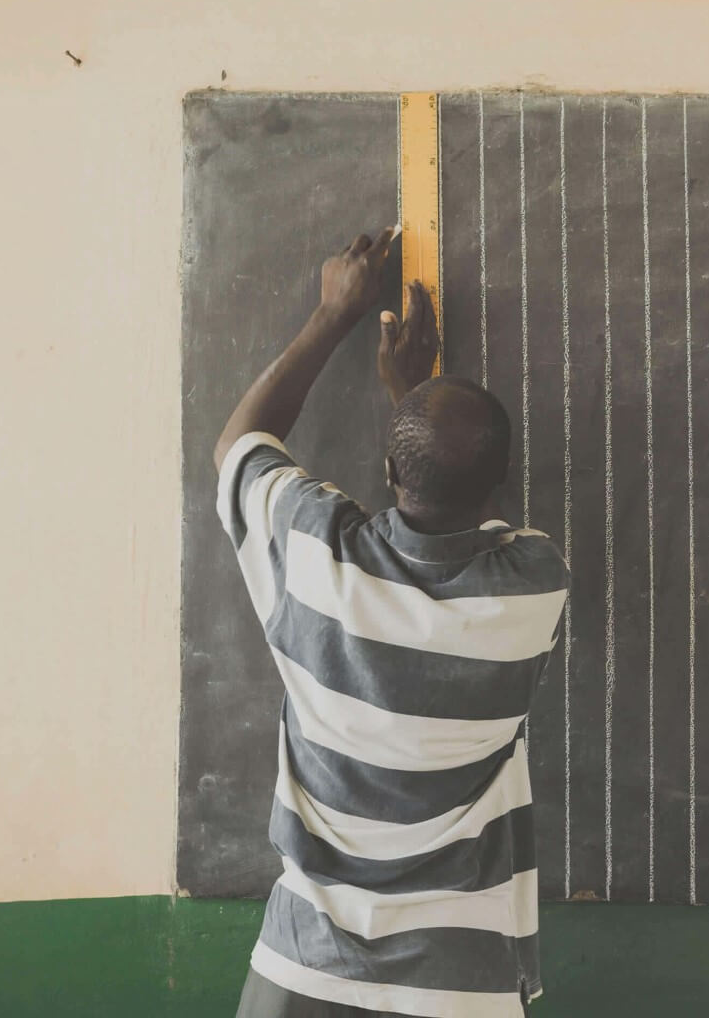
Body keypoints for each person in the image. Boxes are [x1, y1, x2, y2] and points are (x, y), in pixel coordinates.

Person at [212, 227, 569, 1018]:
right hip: (462, 978)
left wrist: (335, 314)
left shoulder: (311, 558)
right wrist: (411, 404)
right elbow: (478, 519)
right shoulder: (533, 591)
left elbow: (240, 447)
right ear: (499, 483)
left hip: (306, 965)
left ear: (385, 470)